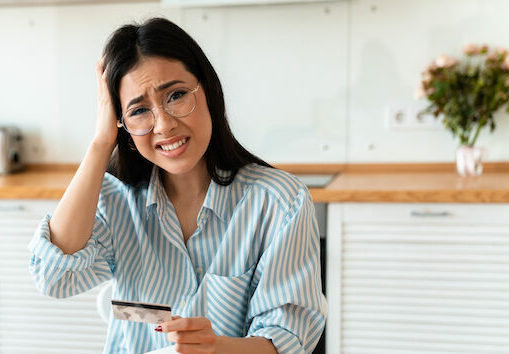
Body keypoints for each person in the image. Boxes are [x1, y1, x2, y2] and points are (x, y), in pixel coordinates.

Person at [29, 17, 326, 354]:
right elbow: (54, 278)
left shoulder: (279, 202)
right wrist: (100, 142)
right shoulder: (115, 199)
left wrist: (215, 347)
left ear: (208, 91)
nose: (165, 125)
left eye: (176, 95)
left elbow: (287, 341)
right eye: (139, 110)